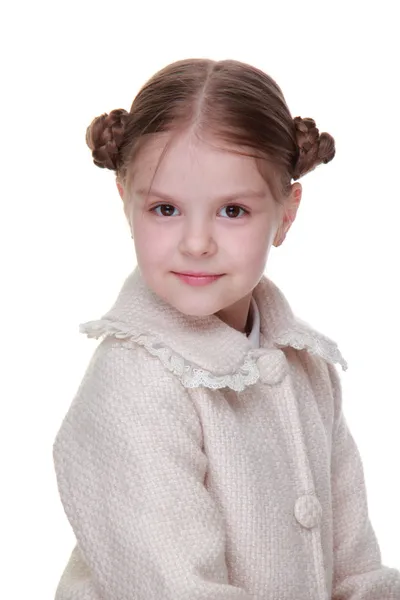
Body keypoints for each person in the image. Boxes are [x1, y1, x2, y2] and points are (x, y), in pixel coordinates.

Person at [52, 58, 400, 600]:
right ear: (126, 201)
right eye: (165, 208)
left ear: (285, 213)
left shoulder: (306, 368)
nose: (196, 242)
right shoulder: (132, 388)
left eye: (232, 211)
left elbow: (352, 569)